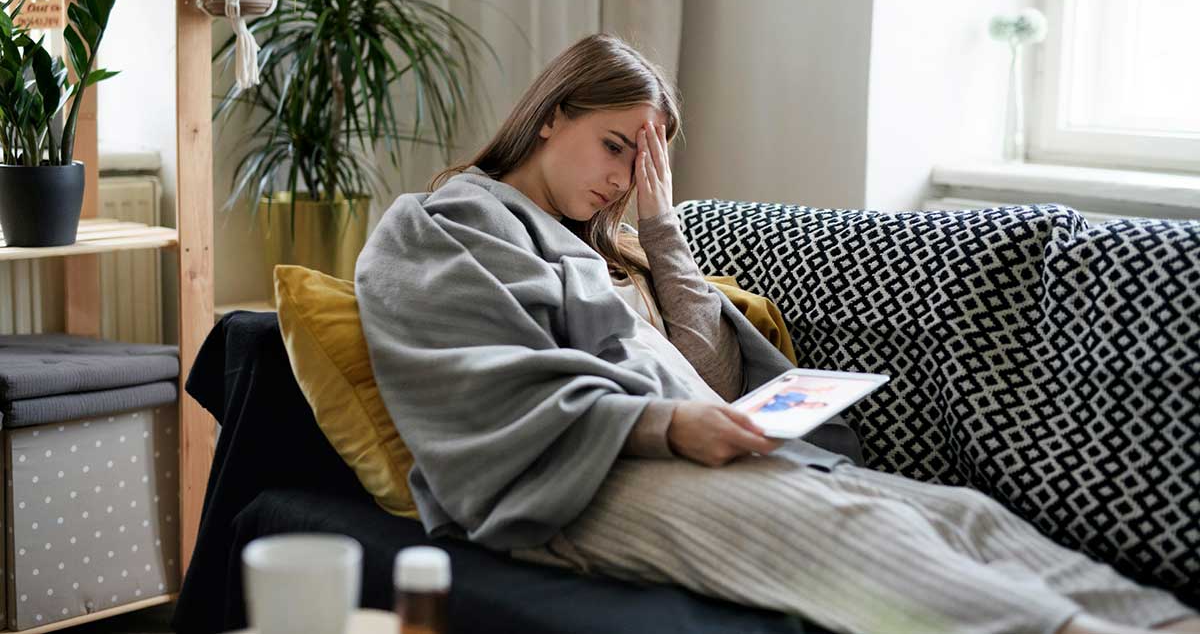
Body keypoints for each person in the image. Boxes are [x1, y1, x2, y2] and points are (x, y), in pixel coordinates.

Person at [356, 33, 1198, 634]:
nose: (618, 178)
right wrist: (665, 422)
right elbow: (475, 380)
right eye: (613, 146)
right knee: (860, 533)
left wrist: (658, 228)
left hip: (679, 449)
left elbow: (713, 378)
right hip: (572, 480)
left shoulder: (606, 249)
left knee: (956, 512)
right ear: (550, 116)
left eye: (639, 165)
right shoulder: (441, 223)